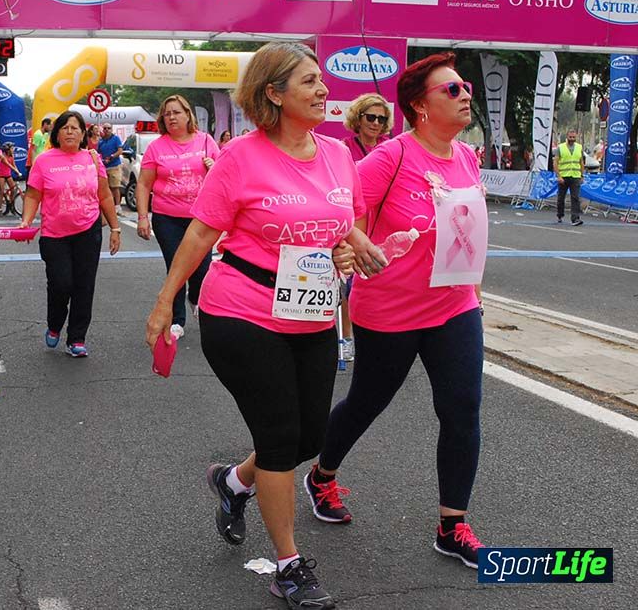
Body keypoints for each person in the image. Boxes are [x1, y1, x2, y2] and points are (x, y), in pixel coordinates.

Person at [145, 42, 361, 610]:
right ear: (274, 93)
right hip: (242, 312)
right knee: (280, 439)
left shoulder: (338, 154)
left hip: (312, 314)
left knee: (309, 439)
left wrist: (346, 249)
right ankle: (289, 566)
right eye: (309, 81)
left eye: (322, 79)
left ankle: (234, 481)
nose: (322, 89)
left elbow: (342, 224)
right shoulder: (240, 156)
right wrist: (165, 302)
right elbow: (200, 233)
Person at [308, 52, 489, 572]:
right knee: (367, 401)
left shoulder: (466, 157)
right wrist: (358, 240)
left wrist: (477, 292)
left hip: (455, 306)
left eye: (465, 87)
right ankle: (322, 475)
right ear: (419, 106)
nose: (465, 95)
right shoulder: (392, 156)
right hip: (390, 308)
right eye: (452, 89)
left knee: (462, 409)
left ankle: (452, 524)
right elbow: (337, 206)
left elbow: (468, 232)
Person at [18, 111, 121, 358]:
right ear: (57, 133)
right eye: (65, 127)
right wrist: (26, 221)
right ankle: (55, 324)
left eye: (75, 128)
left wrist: (115, 228)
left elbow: (105, 195)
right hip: (54, 234)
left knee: (84, 286)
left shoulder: (92, 159)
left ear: (83, 133)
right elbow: (33, 195)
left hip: (88, 230)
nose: (70, 132)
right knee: (61, 283)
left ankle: (77, 338)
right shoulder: (44, 161)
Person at [136, 94, 220, 339]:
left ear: (187, 115)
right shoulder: (156, 147)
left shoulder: (206, 141)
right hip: (167, 218)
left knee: (201, 267)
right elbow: (143, 184)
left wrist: (213, 167)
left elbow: (224, 174)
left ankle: (195, 297)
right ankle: (177, 319)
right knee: (176, 266)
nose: (171, 117)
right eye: (167, 114)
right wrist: (143, 217)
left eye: (176, 112)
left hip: (201, 217)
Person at [338, 92, 393, 361]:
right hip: (353, 221)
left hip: (382, 224)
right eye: (371, 117)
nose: (376, 123)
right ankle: (347, 337)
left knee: (380, 280)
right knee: (349, 282)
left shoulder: (389, 149)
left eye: (381, 119)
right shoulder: (344, 148)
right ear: (358, 119)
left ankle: (379, 334)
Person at [553, 129, 584, 226]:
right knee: (561, 198)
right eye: (570, 137)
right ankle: (560, 214)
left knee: (575, 198)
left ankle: (575, 218)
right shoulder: (560, 147)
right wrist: (559, 176)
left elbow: (581, 162)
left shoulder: (579, 147)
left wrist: (582, 175)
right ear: (567, 137)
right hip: (563, 177)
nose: (572, 139)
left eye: (574, 137)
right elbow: (555, 162)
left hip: (575, 176)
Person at [97, 123, 125, 215]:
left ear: (111, 129)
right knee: (106, 188)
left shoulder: (116, 138)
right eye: (105, 128)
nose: (107, 130)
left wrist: (112, 157)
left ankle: (117, 206)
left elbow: (120, 151)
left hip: (114, 166)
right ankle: (109, 206)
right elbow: (98, 153)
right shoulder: (100, 141)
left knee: (115, 187)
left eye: (108, 128)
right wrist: (102, 160)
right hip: (104, 167)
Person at [0, 142, 20, 208]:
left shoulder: (11, 156)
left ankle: (11, 204)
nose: (13, 149)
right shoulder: (3, 157)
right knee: (1, 190)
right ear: (7, 150)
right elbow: (9, 165)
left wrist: (18, 172)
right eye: (11, 148)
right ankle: (0, 207)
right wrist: (16, 171)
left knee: (13, 189)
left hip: (8, 174)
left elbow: (14, 165)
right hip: (1, 175)